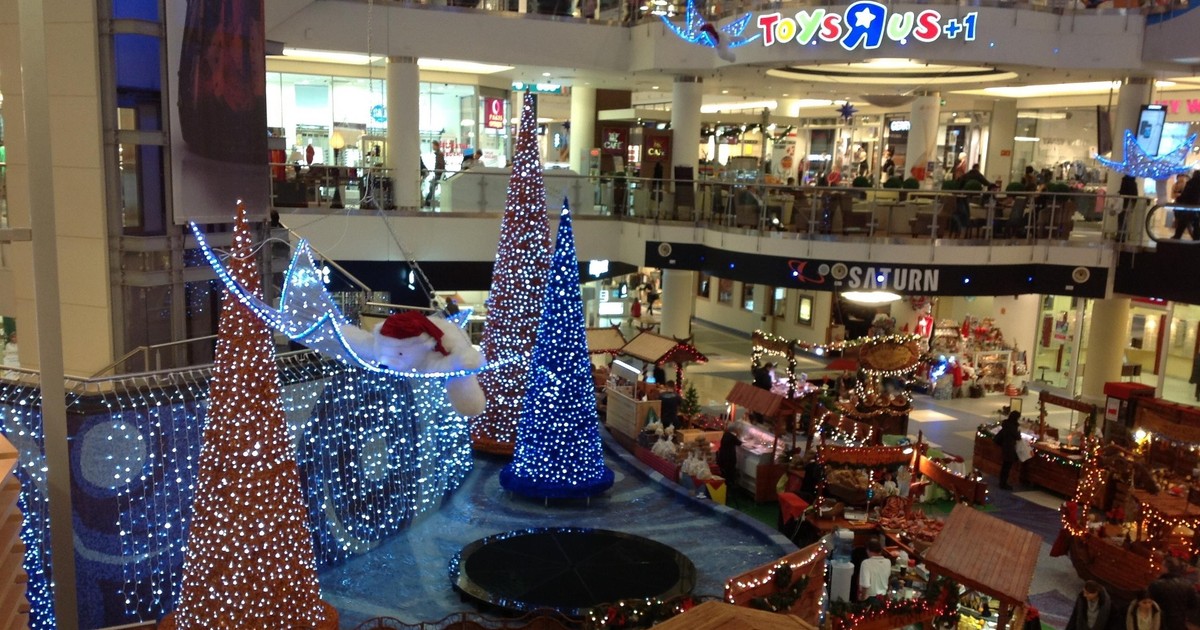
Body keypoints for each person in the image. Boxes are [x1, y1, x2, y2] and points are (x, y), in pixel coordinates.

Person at [1148, 556, 1197, 630]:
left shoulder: (1157, 584)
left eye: (1162, 566)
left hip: (1159, 623)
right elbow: (1193, 605)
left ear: (1165, 568)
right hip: (1179, 624)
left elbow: (1148, 604)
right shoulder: (1188, 586)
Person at [993, 410, 1021, 490]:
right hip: (1009, 449)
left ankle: (1002, 482)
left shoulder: (1006, 425)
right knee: (1007, 467)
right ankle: (1003, 483)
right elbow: (1017, 437)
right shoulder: (1012, 426)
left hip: (1005, 448)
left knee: (1005, 466)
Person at [1171, 171, 1200, 240]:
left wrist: (1179, 199)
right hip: (1196, 208)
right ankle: (1196, 240)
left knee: (1182, 222)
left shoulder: (1190, 183)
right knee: (1195, 224)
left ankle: (1177, 237)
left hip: (1187, 207)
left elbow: (1185, 195)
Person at [717, 423, 743, 487]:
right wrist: (738, 434)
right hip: (729, 457)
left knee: (724, 470)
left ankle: (725, 483)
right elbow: (739, 443)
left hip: (722, 455)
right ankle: (729, 483)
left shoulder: (725, 434)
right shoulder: (732, 437)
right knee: (730, 470)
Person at [424, 140, 445, 208]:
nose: (432, 147)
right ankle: (427, 201)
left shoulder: (439, 154)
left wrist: (438, 171)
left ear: (436, 146)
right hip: (439, 173)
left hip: (438, 173)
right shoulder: (439, 154)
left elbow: (440, 164)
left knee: (432, 187)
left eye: (433, 145)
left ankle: (427, 201)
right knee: (432, 187)